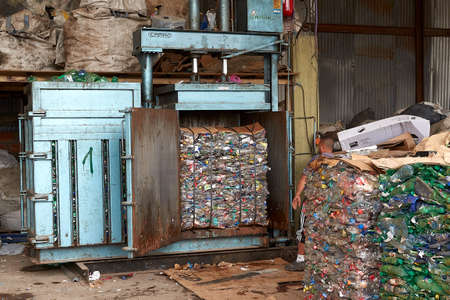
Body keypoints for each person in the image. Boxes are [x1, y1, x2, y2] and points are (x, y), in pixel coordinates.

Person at [286, 135, 335, 271]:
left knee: (304, 230)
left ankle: (301, 259)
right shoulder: (339, 162)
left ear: (322, 147)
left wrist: (297, 195)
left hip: (313, 203)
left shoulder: (316, 160)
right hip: (330, 204)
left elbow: (304, 179)